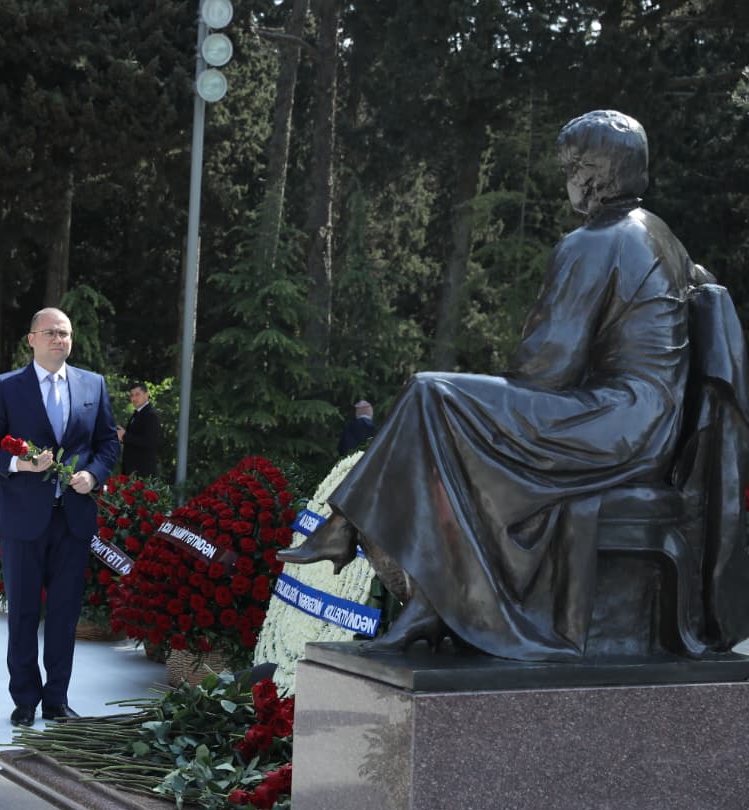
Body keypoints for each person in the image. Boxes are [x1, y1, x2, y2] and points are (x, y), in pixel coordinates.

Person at [280, 110, 714, 661]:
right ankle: (417, 594)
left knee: (432, 395)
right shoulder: (658, 234)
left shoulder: (596, 241)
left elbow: (546, 369)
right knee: (440, 404)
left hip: (615, 421)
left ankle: (357, 536)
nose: (566, 183)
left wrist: (498, 389)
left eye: (569, 170)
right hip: (647, 422)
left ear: (591, 174)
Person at [0, 307, 119, 726]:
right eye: (51, 333)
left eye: (66, 334)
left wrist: (93, 474)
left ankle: (56, 699)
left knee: (64, 613)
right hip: (23, 519)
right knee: (21, 613)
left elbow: (107, 443)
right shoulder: (6, 387)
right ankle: (24, 700)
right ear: (31, 338)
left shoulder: (93, 385)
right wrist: (20, 466)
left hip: (73, 518)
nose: (59, 340)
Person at [116, 381, 162, 477]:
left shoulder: (151, 415)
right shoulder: (137, 413)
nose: (134, 398)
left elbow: (150, 442)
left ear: (146, 395)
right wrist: (121, 435)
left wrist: (124, 436)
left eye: (137, 394)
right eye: (132, 395)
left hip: (142, 472)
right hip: (132, 470)